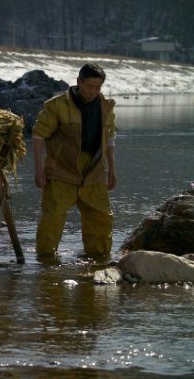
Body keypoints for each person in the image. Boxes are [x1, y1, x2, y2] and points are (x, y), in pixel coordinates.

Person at [32, 63, 117, 260]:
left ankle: (98, 262)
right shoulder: (57, 105)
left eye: (98, 87)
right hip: (62, 168)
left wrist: (112, 169)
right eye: (89, 86)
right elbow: (38, 136)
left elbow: (110, 139)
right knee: (52, 218)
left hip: (95, 168)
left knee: (100, 217)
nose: (94, 91)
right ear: (79, 82)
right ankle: (45, 262)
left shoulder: (106, 106)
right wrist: (38, 170)